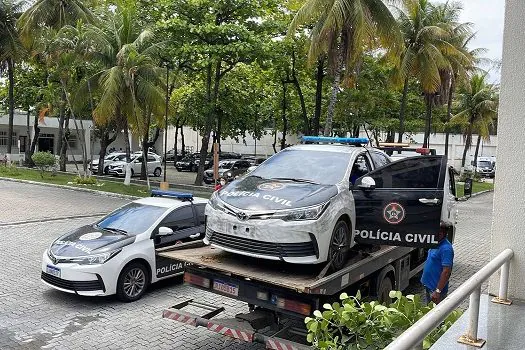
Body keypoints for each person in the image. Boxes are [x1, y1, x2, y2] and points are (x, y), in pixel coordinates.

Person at [421, 225, 454, 304]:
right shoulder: (436, 243)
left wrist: (438, 291)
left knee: (435, 314)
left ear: (442, 234)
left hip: (435, 291)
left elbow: (446, 272)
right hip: (429, 287)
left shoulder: (446, 249)